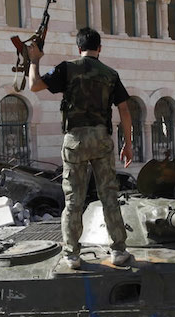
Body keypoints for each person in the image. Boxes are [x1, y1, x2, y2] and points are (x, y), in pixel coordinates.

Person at [27, 27, 133, 269]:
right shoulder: (111, 74)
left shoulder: (67, 68)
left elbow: (34, 86)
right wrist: (128, 144)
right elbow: (125, 110)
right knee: (109, 196)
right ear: (100, 49)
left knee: (74, 199)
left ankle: (72, 255)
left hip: (75, 141)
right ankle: (118, 251)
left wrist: (34, 60)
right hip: (101, 141)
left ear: (78, 48)